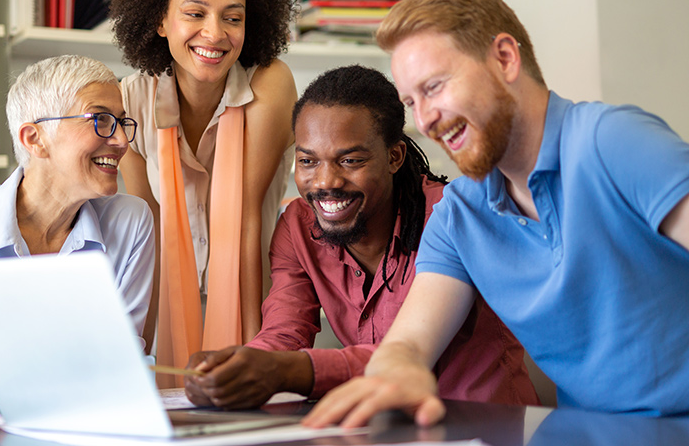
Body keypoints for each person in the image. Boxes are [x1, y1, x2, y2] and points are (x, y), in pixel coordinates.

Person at [304, 0, 689, 429]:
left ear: (505, 58)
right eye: (412, 101)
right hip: (590, 434)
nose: (425, 120)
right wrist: (397, 374)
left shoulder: (612, 141)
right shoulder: (459, 215)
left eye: (435, 87)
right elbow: (408, 346)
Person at [182, 65, 539, 410]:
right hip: (381, 427)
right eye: (308, 162)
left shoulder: (453, 217)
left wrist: (285, 371)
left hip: (483, 425)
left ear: (394, 156)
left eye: (350, 161)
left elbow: (410, 355)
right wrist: (238, 367)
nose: (325, 182)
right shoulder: (298, 226)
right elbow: (285, 333)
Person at [0, 55, 155, 414]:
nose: (122, 140)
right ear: (35, 138)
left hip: (82, 422)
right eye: (102, 120)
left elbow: (121, 355)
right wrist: (20, 396)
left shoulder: (131, 221)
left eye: (122, 122)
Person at [108, 0, 297, 382]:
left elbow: (247, 220)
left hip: (257, 305)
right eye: (195, 13)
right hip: (173, 307)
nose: (215, 33)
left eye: (233, 17)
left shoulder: (269, 84)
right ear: (160, 20)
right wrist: (140, 356)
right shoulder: (131, 99)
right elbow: (146, 234)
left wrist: (257, 354)